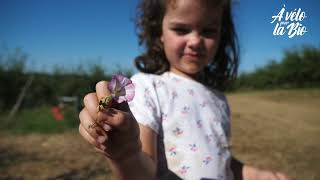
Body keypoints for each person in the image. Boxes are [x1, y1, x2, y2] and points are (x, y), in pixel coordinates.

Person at [79, 0, 291, 179]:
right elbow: (143, 170)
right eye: (181, 29)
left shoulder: (218, 98)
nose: (195, 41)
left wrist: (254, 174)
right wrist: (126, 155)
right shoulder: (147, 87)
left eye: (208, 31)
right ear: (159, 32)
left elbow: (218, 158)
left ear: (221, 35)